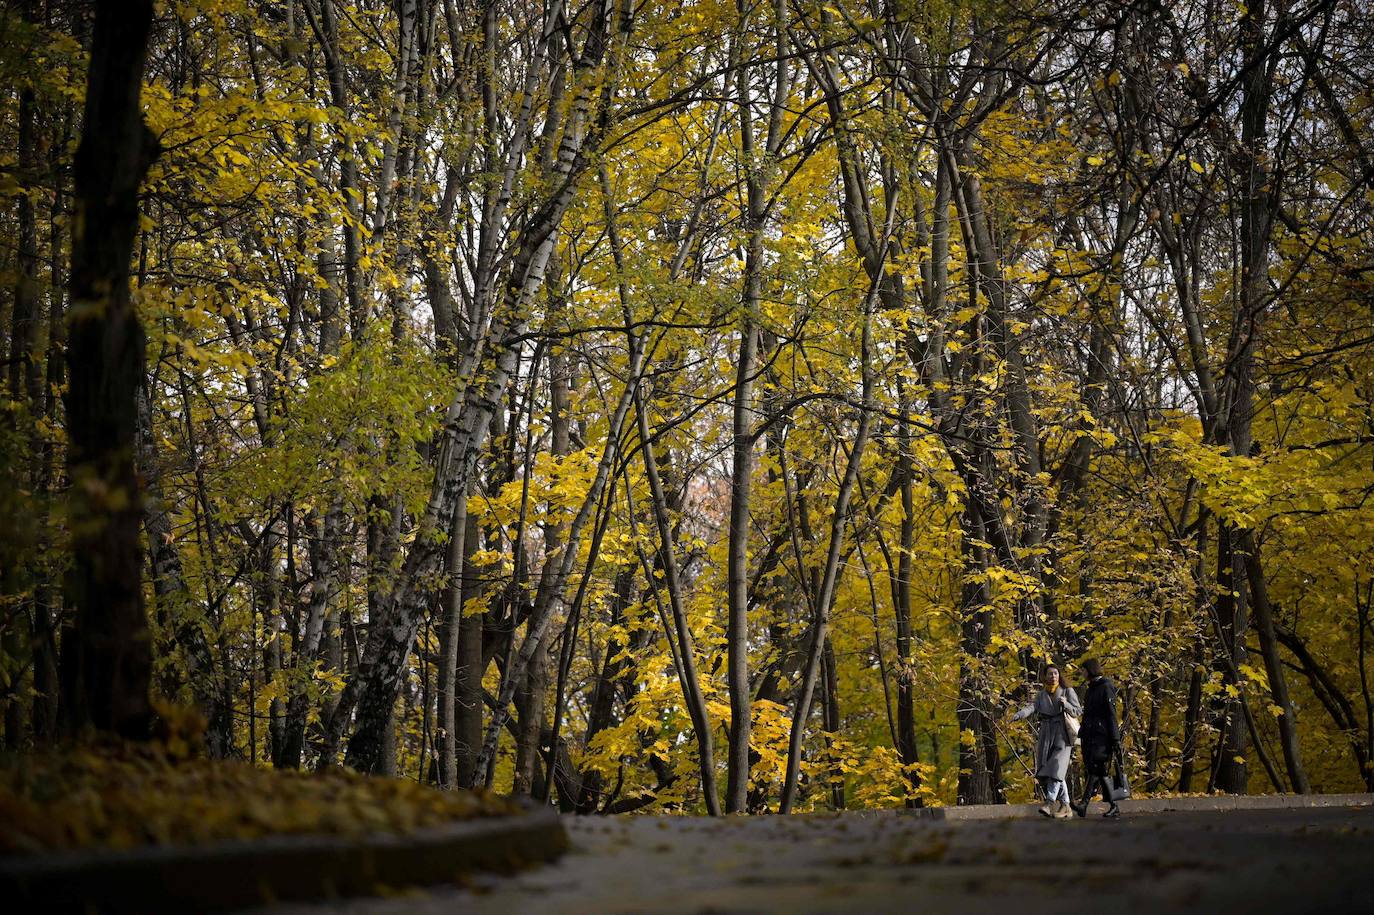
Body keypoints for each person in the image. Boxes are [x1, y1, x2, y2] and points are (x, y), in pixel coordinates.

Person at [1011, 664, 1081, 818]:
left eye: (1055, 673)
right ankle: (1066, 806)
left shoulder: (1067, 691)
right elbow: (1032, 707)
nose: (1053, 676)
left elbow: (1078, 711)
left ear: (1059, 675)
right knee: (1053, 771)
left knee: (1056, 768)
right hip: (1047, 734)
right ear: (1045, 676)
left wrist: (1066, 704)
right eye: (1050, 674)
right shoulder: (1041, 695)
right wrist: (1019, 715)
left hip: (1063, 735)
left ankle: (1049, 803)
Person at [1072, 658, 1121, 818]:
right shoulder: (1090, 689)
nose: (1082, 673)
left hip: (1102, 736)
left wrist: (1115, 739)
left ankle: (1084, 804)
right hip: (1090, 735)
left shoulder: (1106, 687)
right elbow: (1088, 714)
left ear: (1090, 669)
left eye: (1083, 670)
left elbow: (1111, 714)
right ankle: (1114, 806)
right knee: (1098, 770)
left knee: (1095, 767)